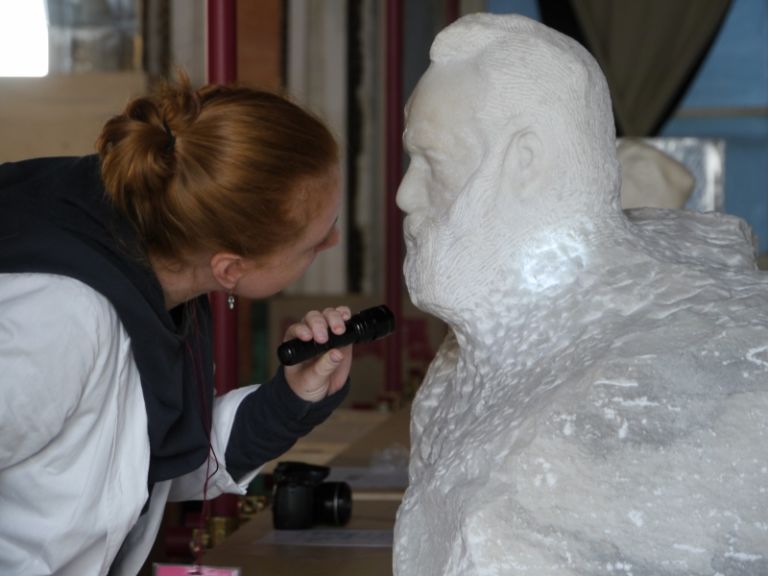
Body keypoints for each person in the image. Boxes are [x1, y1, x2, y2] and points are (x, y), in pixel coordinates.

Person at [394, 13, 768, 576]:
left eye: (433, 162)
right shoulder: (463, 368)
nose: (403, 194)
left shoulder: (653, 378)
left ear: (526, 161)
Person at [0, 74, 354, 575]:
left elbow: (132, 463)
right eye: (315, 241)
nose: (335, 240)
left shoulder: (160, 270)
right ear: (231, 268)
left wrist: (289, 401)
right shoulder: (57, 319)